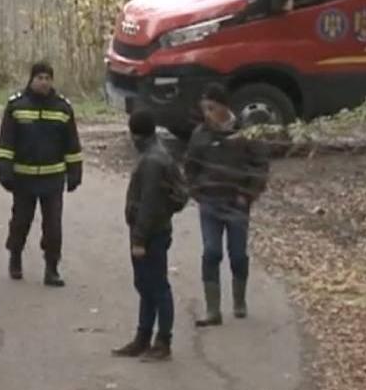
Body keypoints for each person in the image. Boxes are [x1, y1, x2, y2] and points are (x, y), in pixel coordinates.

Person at [183, 83, 270, 327]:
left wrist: (247, 194)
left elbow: (260, 166)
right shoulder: (200, 134)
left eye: (211, 108)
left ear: (223, 107)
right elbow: (190, 166)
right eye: (205, 109)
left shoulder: (245, 133)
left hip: (237, 203)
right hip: (210, 203)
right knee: (211, 252)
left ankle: (239, 300)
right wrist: (197, 191)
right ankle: (213, 309)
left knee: (238, 254)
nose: (207, 113)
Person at [0, 61, 83, 286]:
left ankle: (51, 268)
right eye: (40, 78)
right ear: (31, 79)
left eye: (47, 78)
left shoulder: (62, 108)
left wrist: (75, 172)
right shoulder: (16, 106)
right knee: (20, 222)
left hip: (52, 178)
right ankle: (15, 256)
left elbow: (72, 143)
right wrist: (5, 171)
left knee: (53, 227)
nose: (44, 82)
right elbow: (6, 143)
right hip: (23, 177)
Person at [113, 110, 186, 362]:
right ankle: (143, 337)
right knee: (146, 286)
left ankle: (162, 341)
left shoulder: (152, 161)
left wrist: (139, 240)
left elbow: (149, 204)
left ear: (135, 134)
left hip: (151, 233)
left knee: (157, 286)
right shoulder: (157, 154)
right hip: (155, 229)